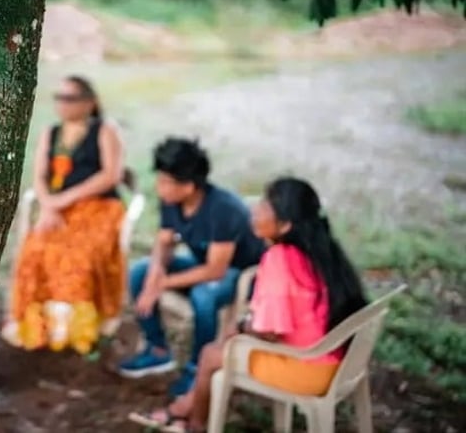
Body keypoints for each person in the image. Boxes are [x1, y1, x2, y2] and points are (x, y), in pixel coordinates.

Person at [129, 177, 368, 432]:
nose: (255, 210)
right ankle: (184, 410)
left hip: (306, 371)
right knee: (225, 345)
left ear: (285, 225)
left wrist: (242, 327)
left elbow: (269, 331)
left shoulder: (279, 259)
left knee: (212, 355)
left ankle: (194, 424)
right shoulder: (320, 250)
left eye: (265, 207)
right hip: (334, 360)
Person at [119, 138, 265, 397]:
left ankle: (198, 368)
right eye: (160, 178)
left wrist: (161, 285)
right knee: (139, 272)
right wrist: (153, 278)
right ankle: (158, 350)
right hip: (205, 265)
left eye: (165, 181)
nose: (159, 187)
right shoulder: (171, 201)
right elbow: (164, 244)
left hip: (240, 274)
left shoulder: (224, 209)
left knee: (204, 295)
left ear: (188, 186)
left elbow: (215, 271)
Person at [1, 76, 126, 355]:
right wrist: (48, 206)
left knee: (79, 255)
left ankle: (76, 331)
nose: (62, 104)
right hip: (57, 207)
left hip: (99, 207)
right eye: (59, 97)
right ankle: (40, 326)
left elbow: (111, 175)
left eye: (70, 98)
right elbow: (40, 177)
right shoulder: (51, 132)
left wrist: (63, 200)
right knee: (36, 249)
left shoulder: (105, 130)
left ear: (89, 102)